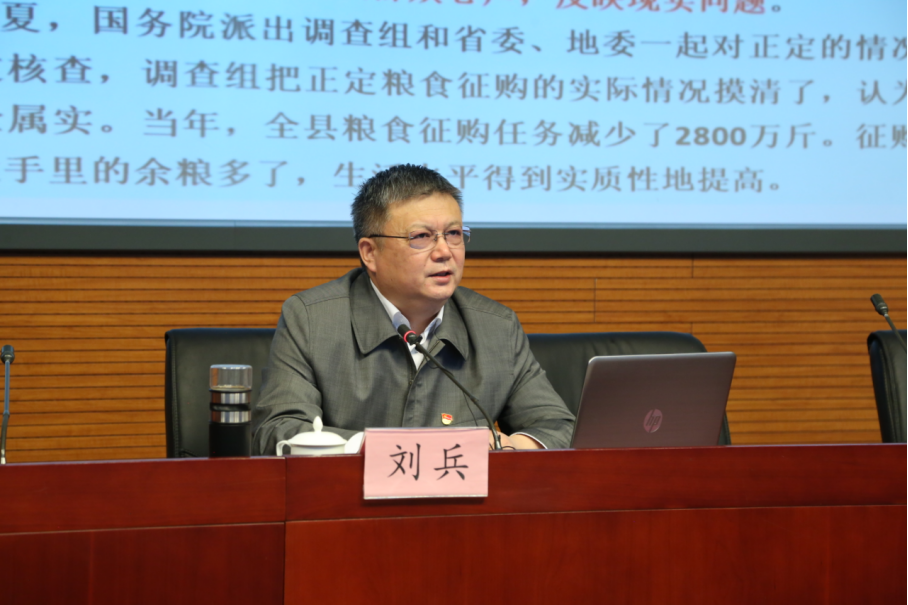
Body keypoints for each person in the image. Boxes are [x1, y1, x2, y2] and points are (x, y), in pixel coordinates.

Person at [252, 164, 574, 455]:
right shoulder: (312, 320)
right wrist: (387, 450)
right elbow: (278, 431)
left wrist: (506, 447)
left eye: (453, 234)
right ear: (370, 252)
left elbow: (560, 428)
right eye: (421, 237)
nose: (444, 251)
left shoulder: (496, 327)